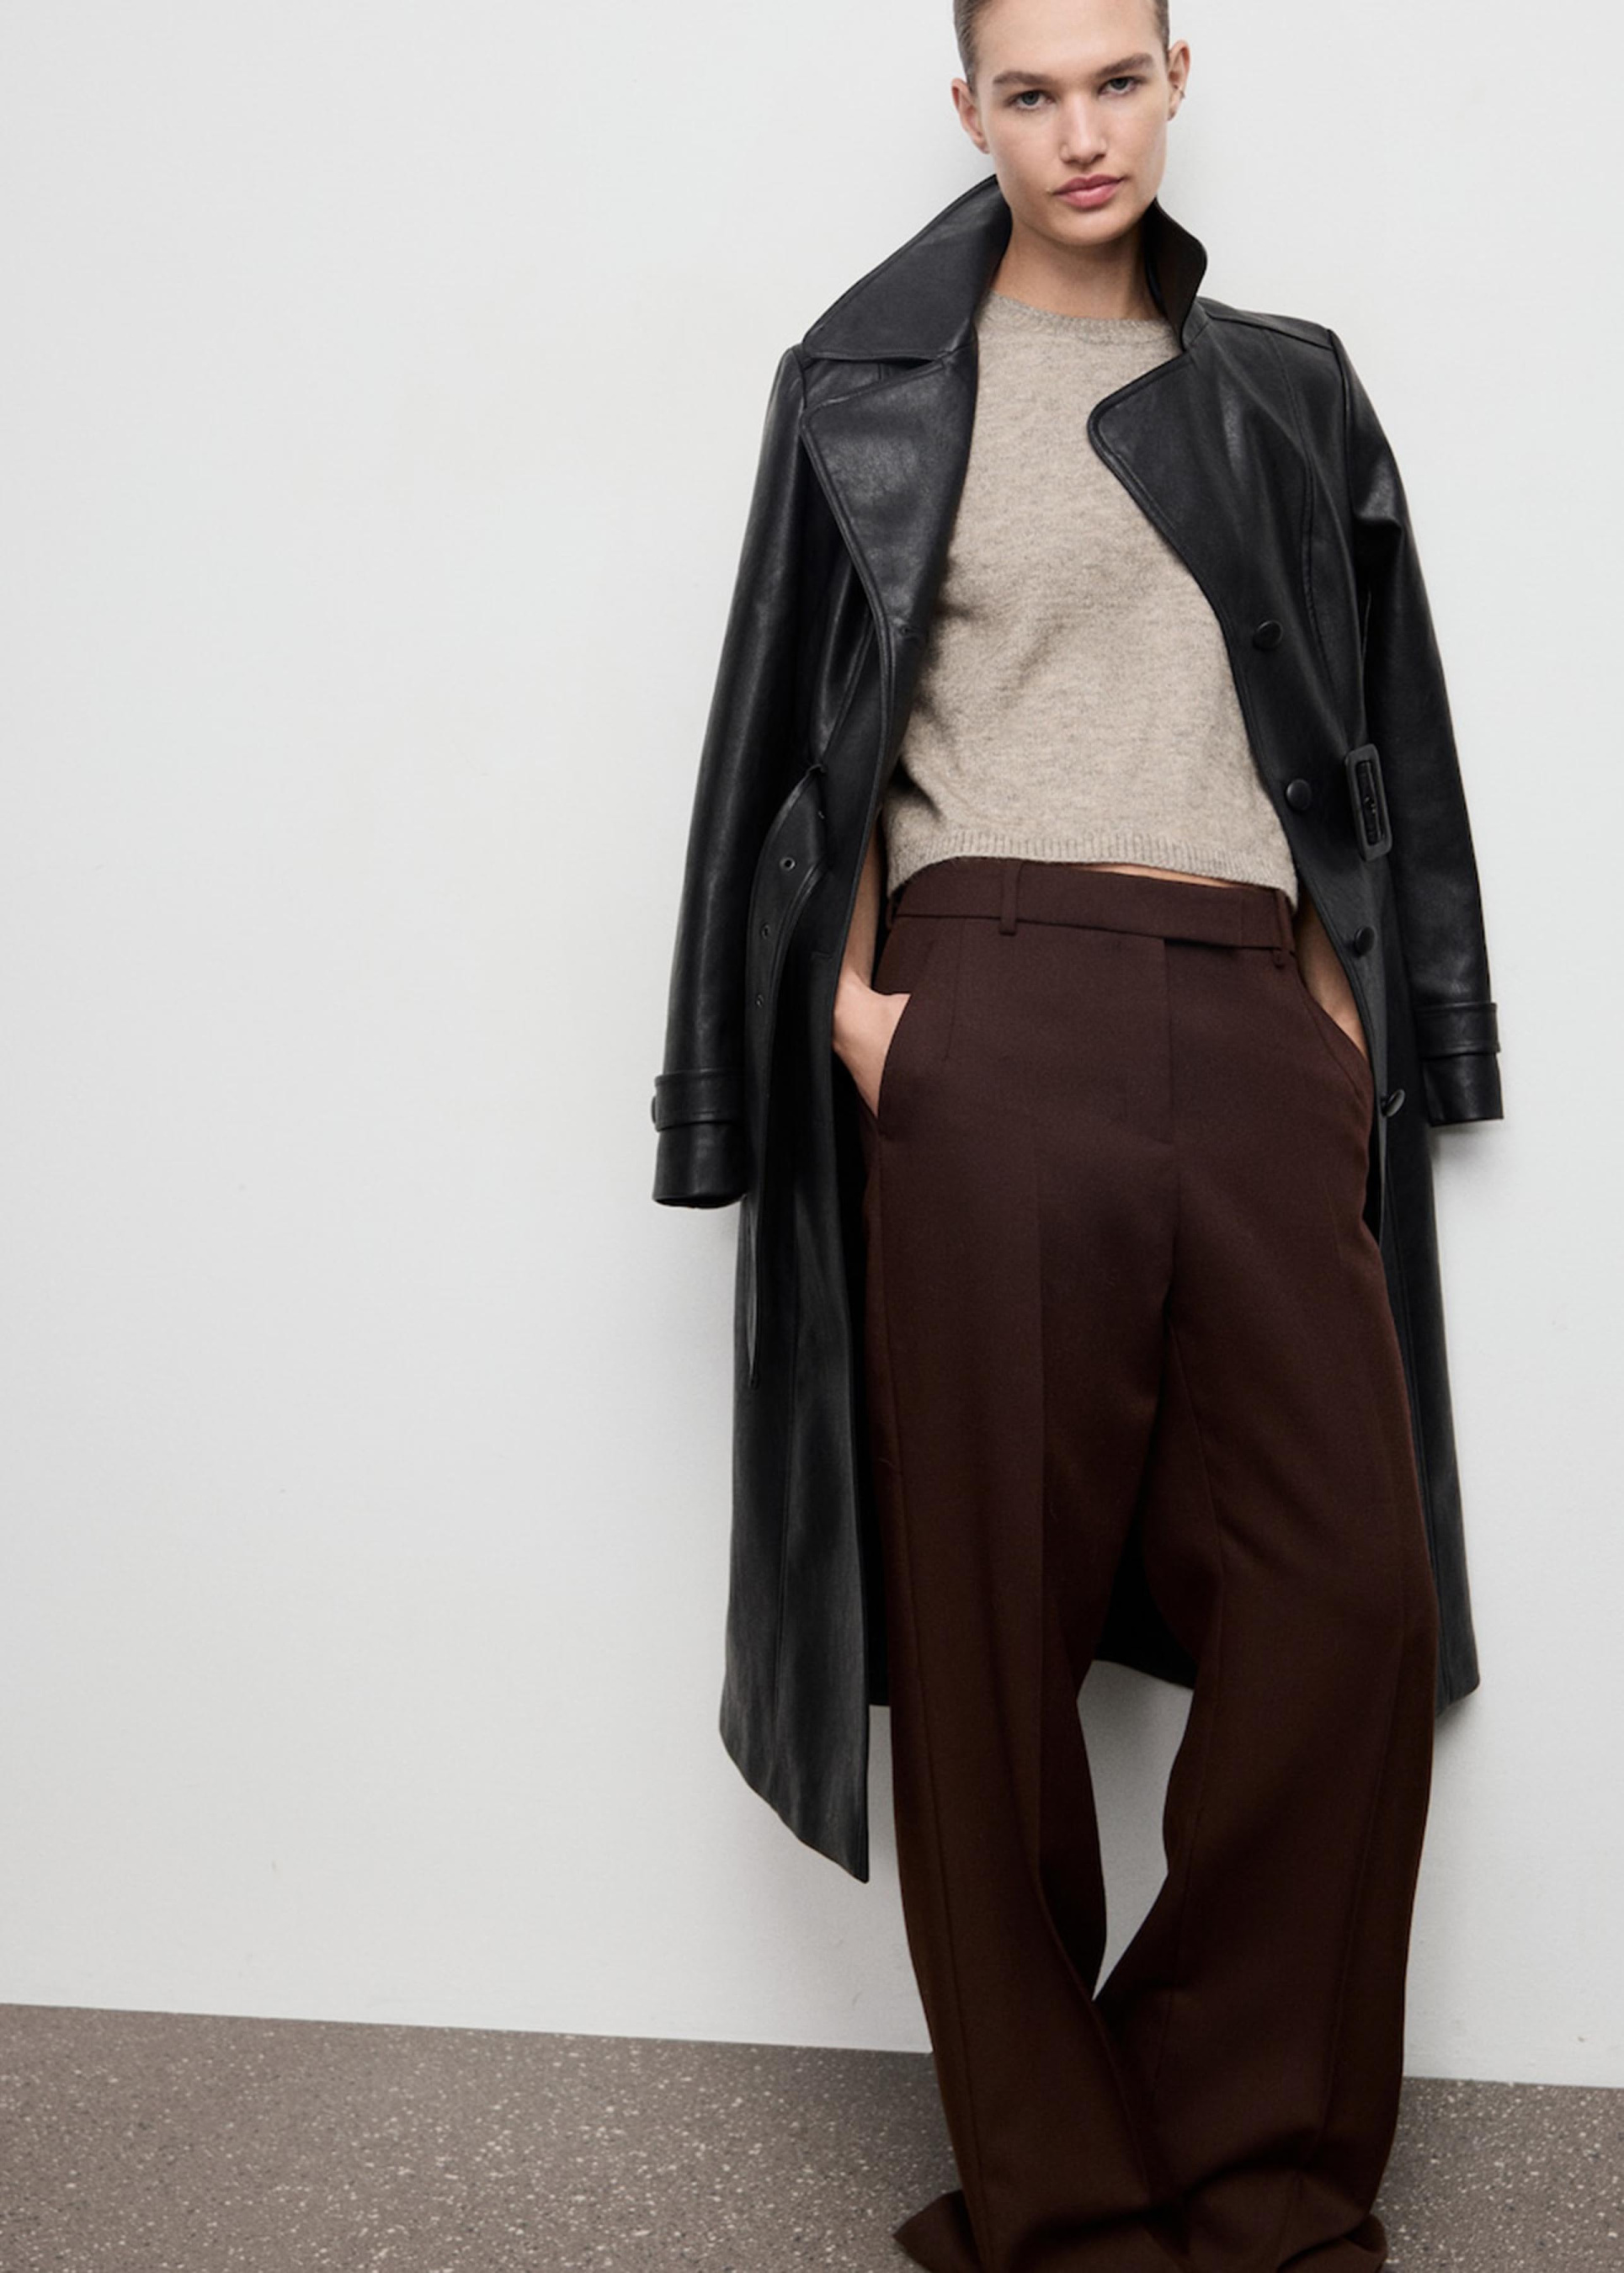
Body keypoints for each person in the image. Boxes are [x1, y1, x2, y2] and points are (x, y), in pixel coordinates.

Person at [650, 1, 1504, 2267]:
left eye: (1114, 78)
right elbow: (785, 729)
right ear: (968, 111)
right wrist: (849, 1021)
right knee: (988, 1629)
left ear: (1176, 75)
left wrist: (1366, 1016)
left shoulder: (1288, 388)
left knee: (1347, 1593)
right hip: (987, 1008)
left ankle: (1248, 2168)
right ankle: (1062, 2204)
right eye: (1027, 92)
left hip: (1248, 1009)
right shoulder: (866, 384)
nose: (1079, 130)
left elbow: (1389, 730)